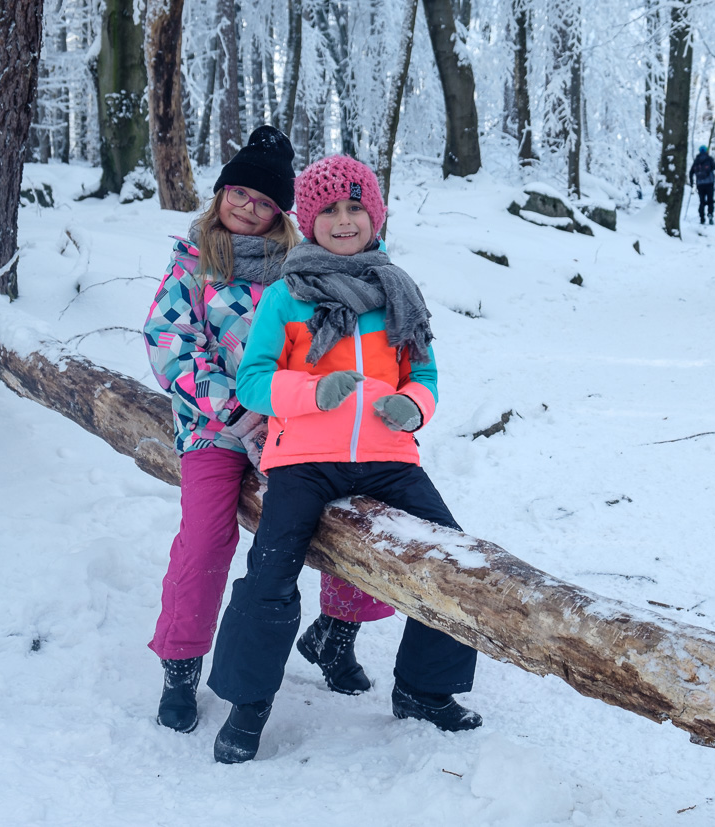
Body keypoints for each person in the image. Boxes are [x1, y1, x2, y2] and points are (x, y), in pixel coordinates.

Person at [206, 155, 482, 764]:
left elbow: (426, 374)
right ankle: (247, 706)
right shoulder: (287, 295)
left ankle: (423, 690)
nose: (344, 219)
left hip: (389, 459)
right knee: (270, 575)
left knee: (454, 559)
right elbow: (252, 380)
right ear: (308, 220)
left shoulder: (398, 290)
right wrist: (309, 394)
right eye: (328, 209)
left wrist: (414, 406)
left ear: (375, 214)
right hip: (303, 458)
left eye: (356, 206)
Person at [142, 127, 388, 736]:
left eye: (264, 199)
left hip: (295, 420)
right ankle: (180, 665)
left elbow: (328, 347)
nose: (248, 206)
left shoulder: (304, 269)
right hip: (218, 429)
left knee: (355, 514)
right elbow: (172, 345)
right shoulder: (193, 265)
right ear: (222, 191)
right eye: (239, 192)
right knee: (205, 538)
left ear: (282, 212)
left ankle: (337, 632)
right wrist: (232, 411)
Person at [688, 145, 715, 225]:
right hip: (709, 183)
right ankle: (710, 215)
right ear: (706, 150)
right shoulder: (709, 159)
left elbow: (691, 172)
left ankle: (702, 218)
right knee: (710, 200)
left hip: (700, 184)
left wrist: (691, 182)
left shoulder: (696, 160)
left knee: (702, 201)